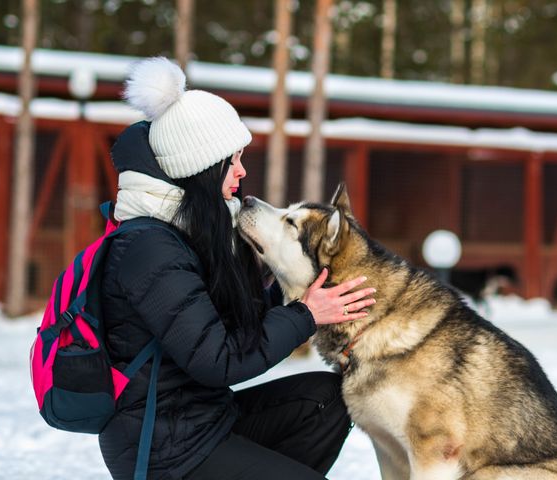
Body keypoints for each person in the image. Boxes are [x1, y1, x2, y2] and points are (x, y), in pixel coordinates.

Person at [98, 57, 376, 480]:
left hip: (205, 421)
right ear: (201, 168)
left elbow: (231, 323)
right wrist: (305, 315)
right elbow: (218, 360)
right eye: (233, 160)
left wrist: (297, 292)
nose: (242, 172)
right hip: (162, 449)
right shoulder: (149, 248)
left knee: (326, 399)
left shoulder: (189, 231)